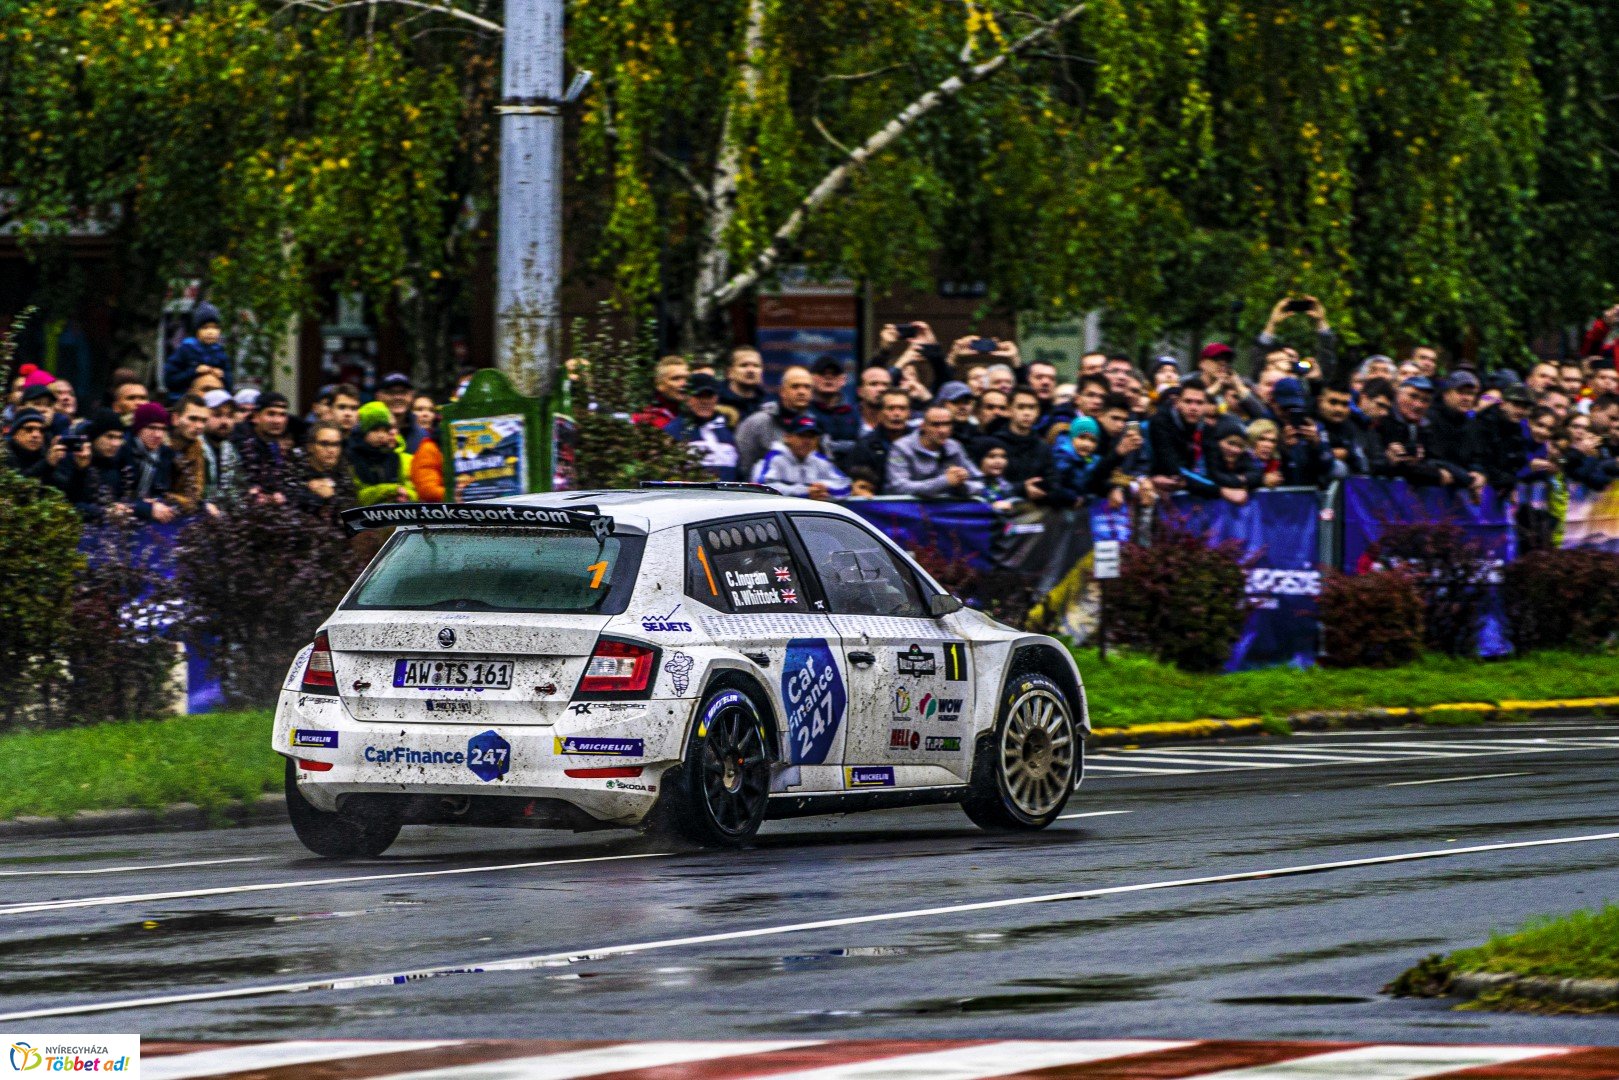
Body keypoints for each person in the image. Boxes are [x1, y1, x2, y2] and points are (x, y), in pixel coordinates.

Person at [885, 406, 983, 499]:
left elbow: (979, 483)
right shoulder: (901, 448)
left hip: (947, 510)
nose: (943, 430)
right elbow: (899, 487)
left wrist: (961, 484)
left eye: (947, 424)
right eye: (936, 425)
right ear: (923, 426)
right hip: (911, 511)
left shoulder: (954, 446)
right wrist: (945, 481)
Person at [999, 388, 1076, 507]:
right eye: (1021, 407)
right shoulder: (995, 443)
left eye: (1031, 407)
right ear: (1009, 410)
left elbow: (1054, 482)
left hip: (1038, 512)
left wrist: (1044, 491)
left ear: (1038, 412)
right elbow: (988, 484)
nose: (1027, 413)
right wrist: (1022, 488)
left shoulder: (1043, 446)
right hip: (1003, 511)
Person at [734, 365, 814, 477]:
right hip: (764, 491)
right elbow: (742, 468)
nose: (802, 392)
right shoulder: (757, 423)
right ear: (782, 391)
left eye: (807, 387)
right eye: (795, 387)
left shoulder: (816, 425)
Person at [752, 416, 850, 500]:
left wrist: (824, 488)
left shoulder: (819, 460)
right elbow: (762, 488)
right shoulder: (774, 458)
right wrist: (805, 492)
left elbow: (845, 485)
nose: (807, 441)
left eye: (811, 437)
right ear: (788, 437)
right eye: (802, 436)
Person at [115, 402, 179, 523]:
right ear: (139, 428)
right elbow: (116, 498)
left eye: (162, 429)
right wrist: (146, 508)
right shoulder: (122, 453)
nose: (158, 434)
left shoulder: (166, 454)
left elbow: (166, 491)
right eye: (152, 428)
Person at [1148, 378, 1214, 494]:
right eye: (1188, 401)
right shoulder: (1160, 422)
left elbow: (1214, 466)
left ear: (1206, 405)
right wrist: (1217, 489)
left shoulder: (1207, 427)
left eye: (1199, 403)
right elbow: (1173, 468)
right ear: (1178, 402)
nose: (1193, 408)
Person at [669, 372, 739, 481]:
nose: (705, 401)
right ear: (686, 397)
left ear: (716, 398)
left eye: (709, 396)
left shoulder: (729, 429)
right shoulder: (673, 432)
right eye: (698, 395)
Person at [1426, 371, 1487, 493]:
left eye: (1470, 394)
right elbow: (1430, 458)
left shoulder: (1472, 424)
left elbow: (1478, 456)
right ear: (1446, 394)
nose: (1466, 398)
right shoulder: (1429, 418)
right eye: (1460, 392)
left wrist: (1478, 473)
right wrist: (1463, 476)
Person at [845, 389, 915, 492]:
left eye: (902, 408)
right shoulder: (865, 446)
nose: (897, 414)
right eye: (891, 408)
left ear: (909, 413)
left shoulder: (920, 442)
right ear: (880, 413)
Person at [290, 421, 359, 522]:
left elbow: (352, 517)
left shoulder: (343, 473)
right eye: (324, 444)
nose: (331, 450)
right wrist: (312, 496)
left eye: (336, 444)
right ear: (310, 447)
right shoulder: (295, 471)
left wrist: (331, 497)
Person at [351, 401, 416, 505]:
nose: (381, 435)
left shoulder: (395, 458)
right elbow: (358, 497)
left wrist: (407, 495)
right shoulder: (353, 460)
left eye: (385, 430)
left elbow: (412, 490)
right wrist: (391, 490)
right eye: (375, 430)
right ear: (363, 433)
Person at [164, 302, 232, 399]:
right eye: (205, 328)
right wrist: (194, 371)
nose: (210, 332)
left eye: (215, 327)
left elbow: (229, 384)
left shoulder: (220, 353)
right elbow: (170, 380)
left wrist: (222, 375)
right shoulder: (185, 350)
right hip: (184, 400)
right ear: (196, 330)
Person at [166, 393, 214, 517]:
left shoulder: (197, 447)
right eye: (192, 419)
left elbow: (195, 494)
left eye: (203, 420)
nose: (199, 426)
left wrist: (199, 504)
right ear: (175, 419)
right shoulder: (158, 444)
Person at [807, 358, 860, 462]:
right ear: (812, 379)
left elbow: (863, 445)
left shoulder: (854, 412)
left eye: (834, 374)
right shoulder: (805, 410)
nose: (829, 377)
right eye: (822, 373)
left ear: (843, 380)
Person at [199, 389, 243, 505]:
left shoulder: (230, 450)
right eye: (217, 415)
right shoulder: (195, 447)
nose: (225, 422)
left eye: (229, 416)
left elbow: (238, 490)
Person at [374, 372, 426, 451]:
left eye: (403, 392)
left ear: (411, 396)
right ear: (378, 396)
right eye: (391, 392)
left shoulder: (422, 437)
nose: (398, 397)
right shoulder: (365, 432)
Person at [635, 356, 689, 431]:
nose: (684, 383)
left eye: (687, 378)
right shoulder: (649, 419)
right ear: (659, 384)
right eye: (676, 378)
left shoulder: (694, 415)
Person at [719, 347, 767, 420]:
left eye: (756, 366)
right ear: (729, 372)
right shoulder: (716, 402)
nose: (751, 370)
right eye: (744, 365)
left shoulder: (768, 405)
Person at [854, 366, 893, 434]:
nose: (881, 389)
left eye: (886, 385)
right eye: (873, 384)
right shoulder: (843, 420)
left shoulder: (902, 420)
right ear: (860, 391)